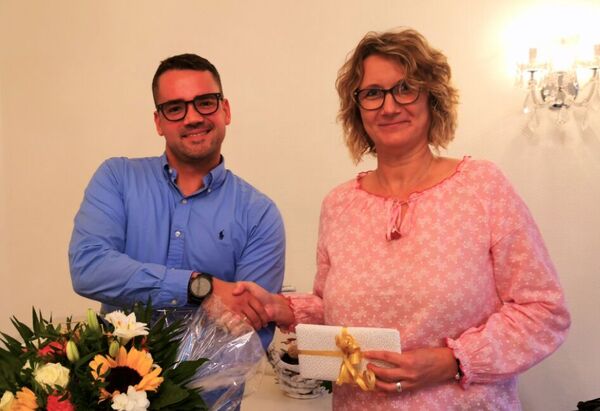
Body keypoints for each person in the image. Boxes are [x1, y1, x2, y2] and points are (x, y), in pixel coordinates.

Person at [234, 28, 570, 410]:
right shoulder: (340, 205)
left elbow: (544, 312)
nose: (389, 107)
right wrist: (282, 308)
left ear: (432, 98)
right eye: (373, 93)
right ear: (357, 109)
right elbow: (337, 313)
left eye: (405, 88)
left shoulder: (483, 186)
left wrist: (453, 361)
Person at [69, 53, 284, 407]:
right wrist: (199, 287)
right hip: (111, 400)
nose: (193, 117)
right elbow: (89, 268)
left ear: (225, 110)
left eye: (205, 102)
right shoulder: (117, 179)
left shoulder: (259, 214)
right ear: (159, 121)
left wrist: (157, 395)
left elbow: (246, 336)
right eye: (175, 108)